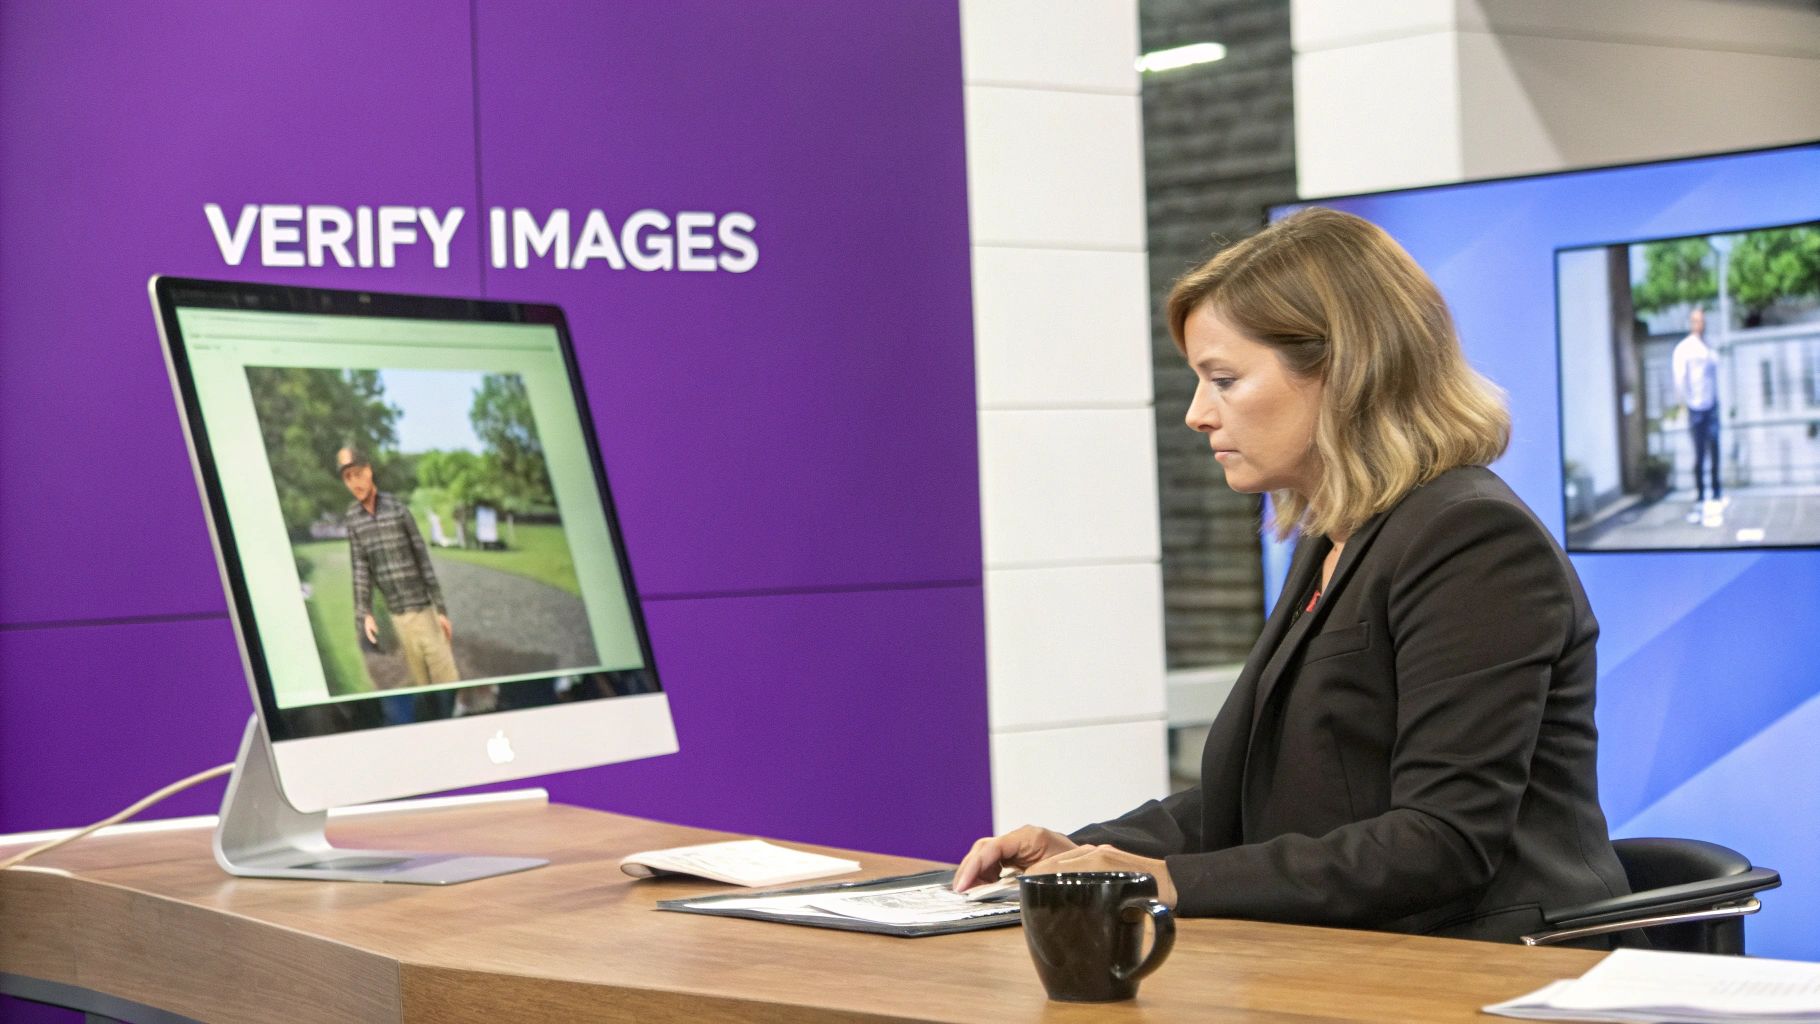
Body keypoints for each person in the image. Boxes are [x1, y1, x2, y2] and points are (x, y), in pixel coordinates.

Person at [952, 208, 1631, 944]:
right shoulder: (1331, 539)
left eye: (1224, 380)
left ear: (1343, 371)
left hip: (1493, 972)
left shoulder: (1471, 539)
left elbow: (1440, 842)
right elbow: (1253, 796)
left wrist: (1172, 881)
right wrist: (1090, 854)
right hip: (1364, 961)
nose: (1197, 415)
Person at [337, 446, 462, 694]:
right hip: (398, 617)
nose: (355, 482)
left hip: (423, 610)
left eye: (358, 473)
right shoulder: (353, 519)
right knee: (422, 684)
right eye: (347, 477)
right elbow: (360, 569)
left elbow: (422, 559)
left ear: (369, 471)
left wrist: (441, 609)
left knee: (448, 679)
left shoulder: (397, 509)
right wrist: (365, 613)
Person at [1672, 306, 1722, 524]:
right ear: (1691, 323)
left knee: (1715, 449)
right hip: (1695, 408)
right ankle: (1701, 494)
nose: (1700, 325)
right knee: (1699, 454)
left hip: (1711, 406)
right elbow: (1680, 379)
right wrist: (1683, 404)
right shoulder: (1684, 348)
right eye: (1696, 321)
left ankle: (1717, 492)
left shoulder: (1709, 347)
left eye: (1702, 321)